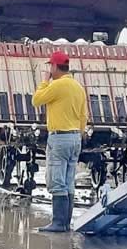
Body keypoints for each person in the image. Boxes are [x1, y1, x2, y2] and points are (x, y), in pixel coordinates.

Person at [32, 51, 88, 233]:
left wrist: (43, 81)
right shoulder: (78, 87)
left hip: (60, 137)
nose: (50, 69)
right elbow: (83, 116)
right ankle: (65, 223)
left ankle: (57, 222)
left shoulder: (57, 85)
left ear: (55, 67)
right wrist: (78, 134)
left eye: (50, 66)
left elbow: (36, 100)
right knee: (69, 180)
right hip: (75, 137)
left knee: (56, 180)